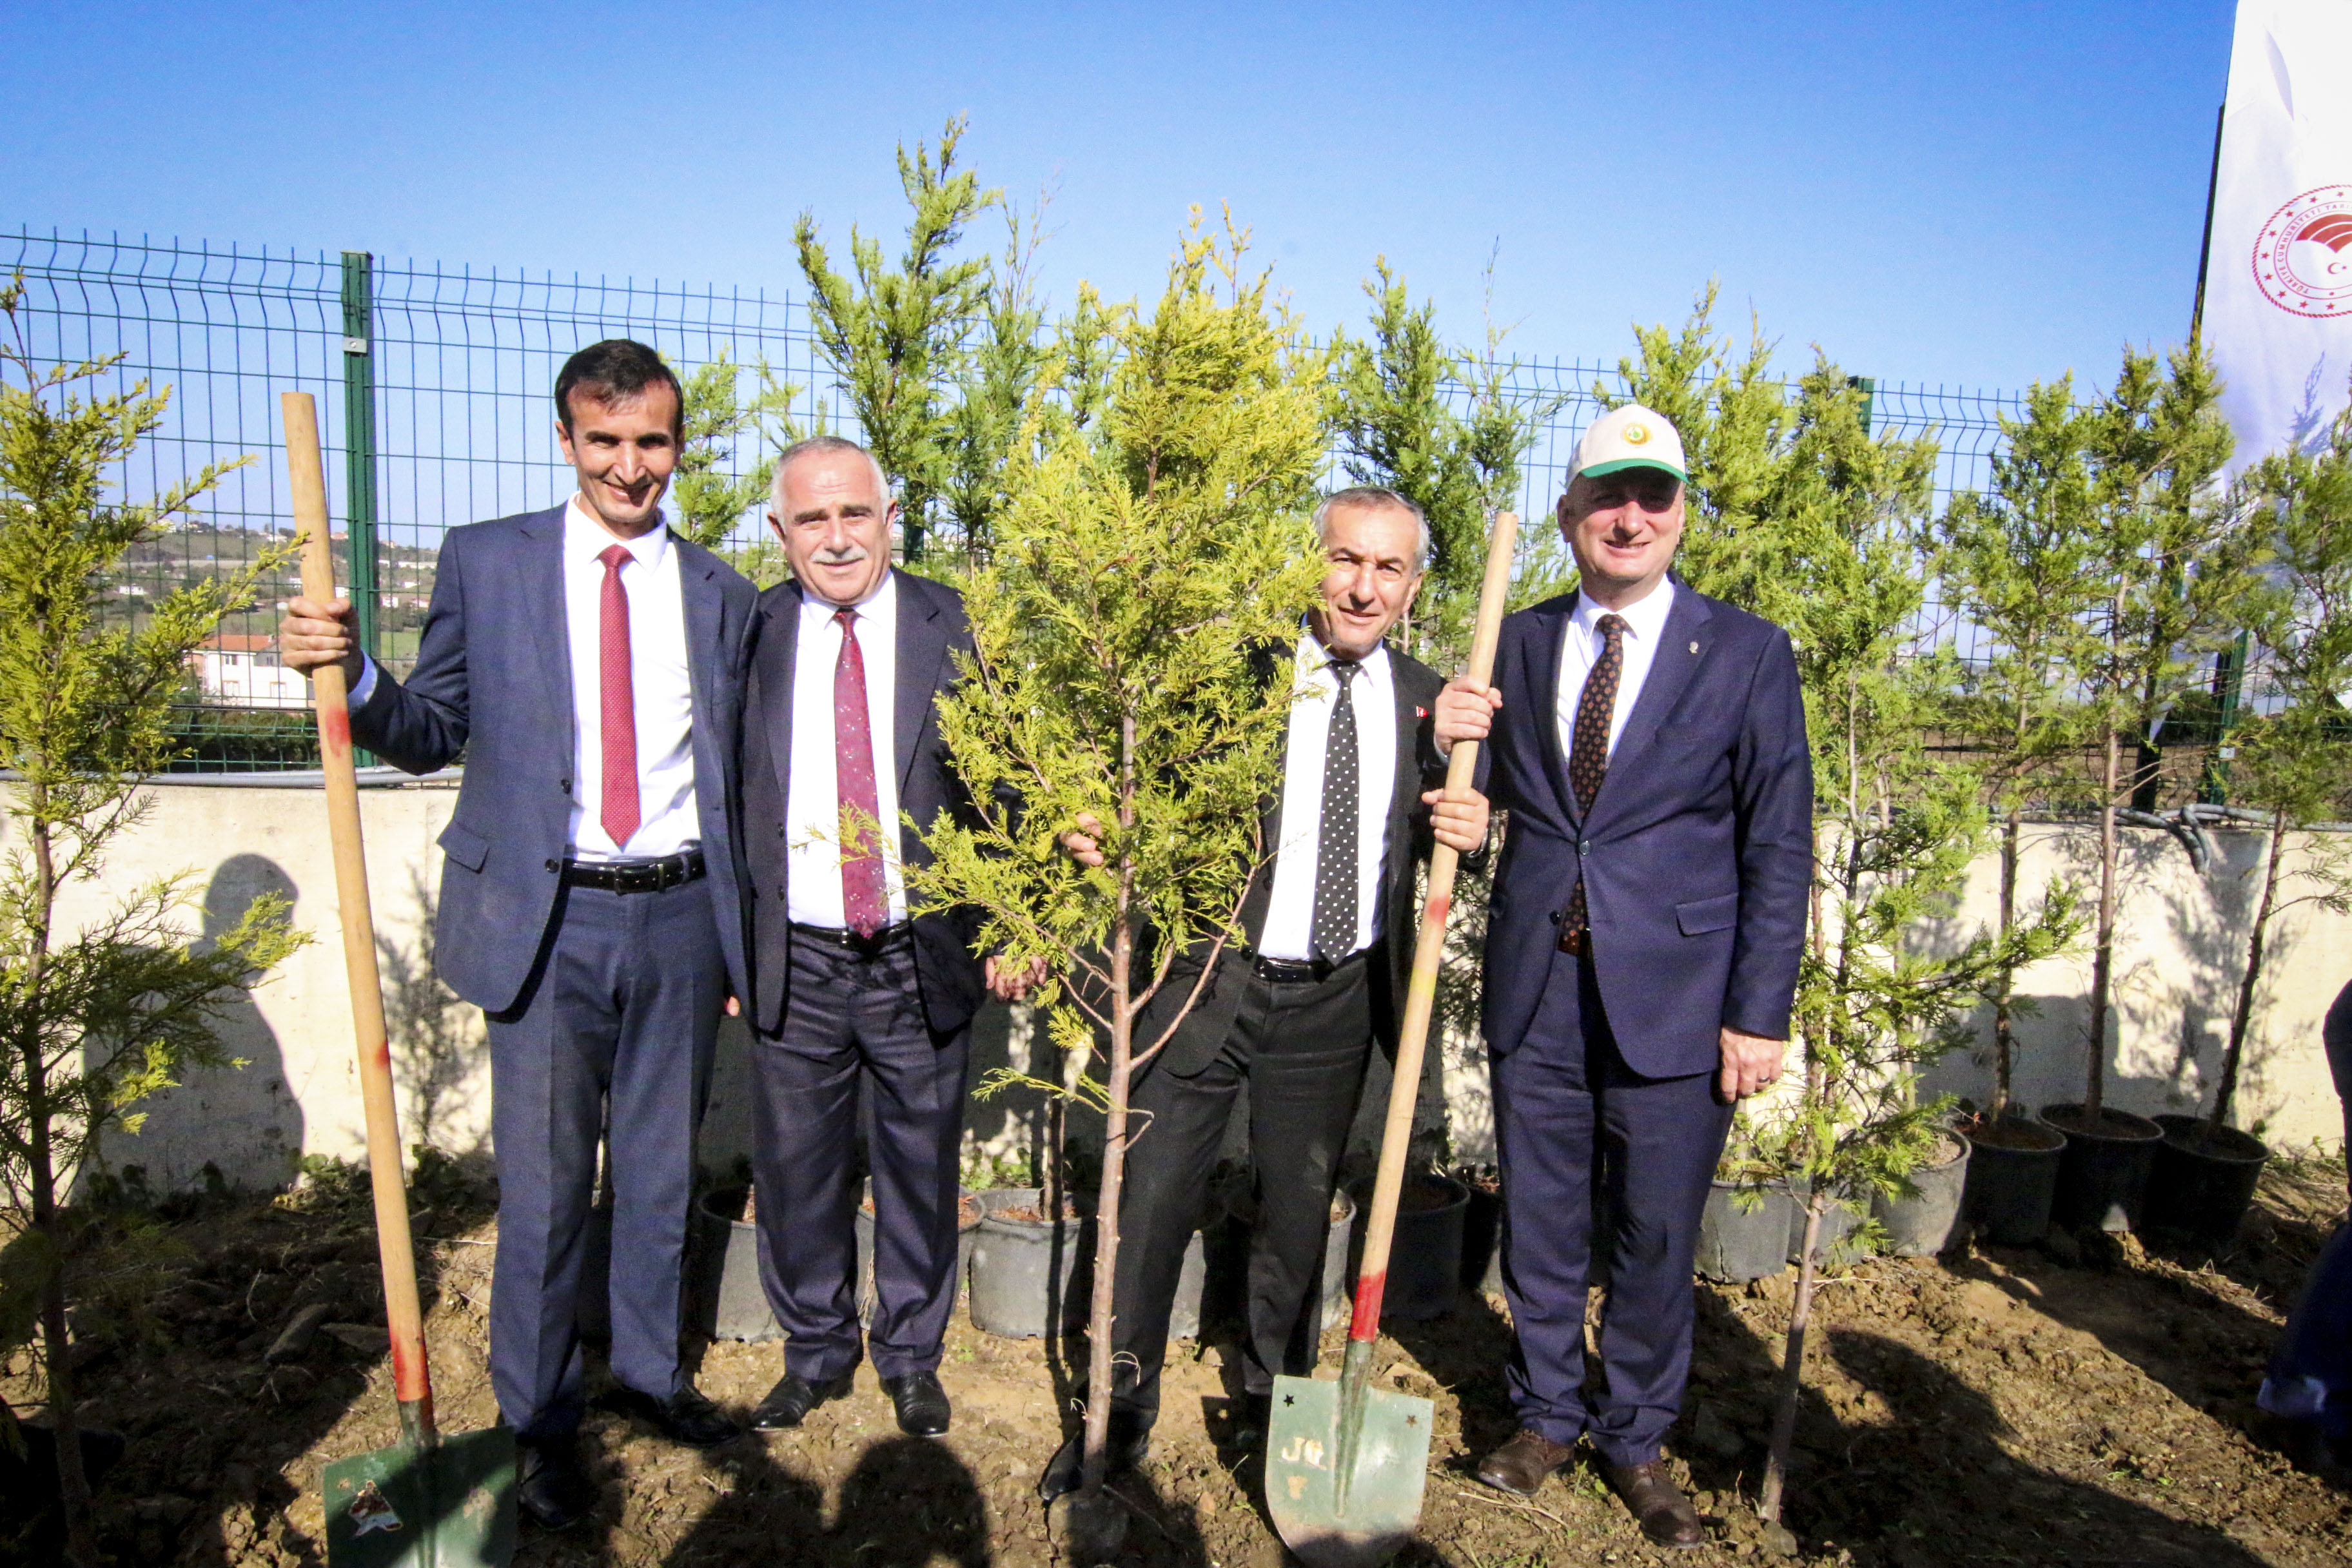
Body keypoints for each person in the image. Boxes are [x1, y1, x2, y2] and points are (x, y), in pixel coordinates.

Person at [277, 340, 758, 1529]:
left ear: (678, 447)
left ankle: (647, 1376)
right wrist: (354, 675)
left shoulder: (722, 594)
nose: (630, 467)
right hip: (548, 918)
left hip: (686, 917)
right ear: (567, 442)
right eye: (606, 442)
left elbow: (745, 770)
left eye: (652, 442)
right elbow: (435, 727)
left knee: (655, 1173)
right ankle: (537, 1423)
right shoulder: (489, 562)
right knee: (545, 1192)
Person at [1037, 485, 1493, 1501]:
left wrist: (1470, 819)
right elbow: (1125, 773)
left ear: (1413, 587)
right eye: (1346, 559)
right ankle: (1117, 1417)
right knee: (1150, 1208)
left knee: (1296, 1216)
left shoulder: (1433, 702)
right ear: (1311, 563)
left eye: (1388, 569)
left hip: (1333, 1003)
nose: (1363, 586)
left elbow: (1450, 830)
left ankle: (1271, 1406)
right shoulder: (1227, 674)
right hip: (1203, 981)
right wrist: (1093, 819)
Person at [1432, 405, 1811, 1549]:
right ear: (1569, 515)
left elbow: (1777, 844)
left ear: (1683, 515)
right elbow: (1470, 794)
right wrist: (1440, 737)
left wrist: (1759, 1013)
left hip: (1681, 1004)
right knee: (1540, 1222)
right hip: (1539, 986)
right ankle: (1547, 1414)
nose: (1630, 517)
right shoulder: (1521, 641)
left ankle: (1637, 1439)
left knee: (1655, 1234)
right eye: (1608, 497)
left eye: (1653, 496)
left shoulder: (1746, 653)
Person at [737, 436, 1030, 1442]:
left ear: (891, 516)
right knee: (796, 1169)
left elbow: (1008, 790)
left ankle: (912, 1356)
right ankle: (814, 1352)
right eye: (811, 519)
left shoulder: (959, 624)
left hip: (923, 950)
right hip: (800, 957)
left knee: (919, 1163)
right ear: (779, 533)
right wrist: (736, 954)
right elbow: (727, 800)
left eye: (854, 513)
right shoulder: (751, 630)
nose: (835, 537)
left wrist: (1013, 920)